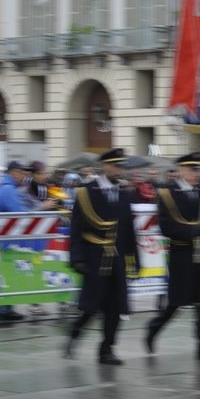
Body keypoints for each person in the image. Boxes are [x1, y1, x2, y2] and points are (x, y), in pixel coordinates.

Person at [65, 149, 136, 364]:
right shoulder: (86, 193)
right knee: (91, 306)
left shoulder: (124, 194)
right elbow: (76, 229)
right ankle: (75, 332)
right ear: (104, 166)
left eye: (120, 166)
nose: (118, 170)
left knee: (116, 307)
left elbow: (129, 231)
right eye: (114, 166)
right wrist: (77, 259)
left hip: (117, 258)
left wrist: (133, 261)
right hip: (94, 258)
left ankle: (107, 349)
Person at [146, 153, 200, 359]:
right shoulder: (167, 194)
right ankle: (153, 330)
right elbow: (166, 227)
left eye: (197, 170)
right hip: (181, 254)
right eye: (191, 170)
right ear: (181, 171)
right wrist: (192, 232)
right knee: (176, 304)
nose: (195, 174)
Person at [0, 161, 32, 325]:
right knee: (6, 273)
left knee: (3, 272)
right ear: (13, 172)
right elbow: (19, 213)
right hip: (5, 240)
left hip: (2, 238)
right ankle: (3, 309)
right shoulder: (7, 189)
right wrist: (40, 209)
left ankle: (4, 308)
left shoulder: (1, 186)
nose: (24, 176)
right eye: (21, 173)